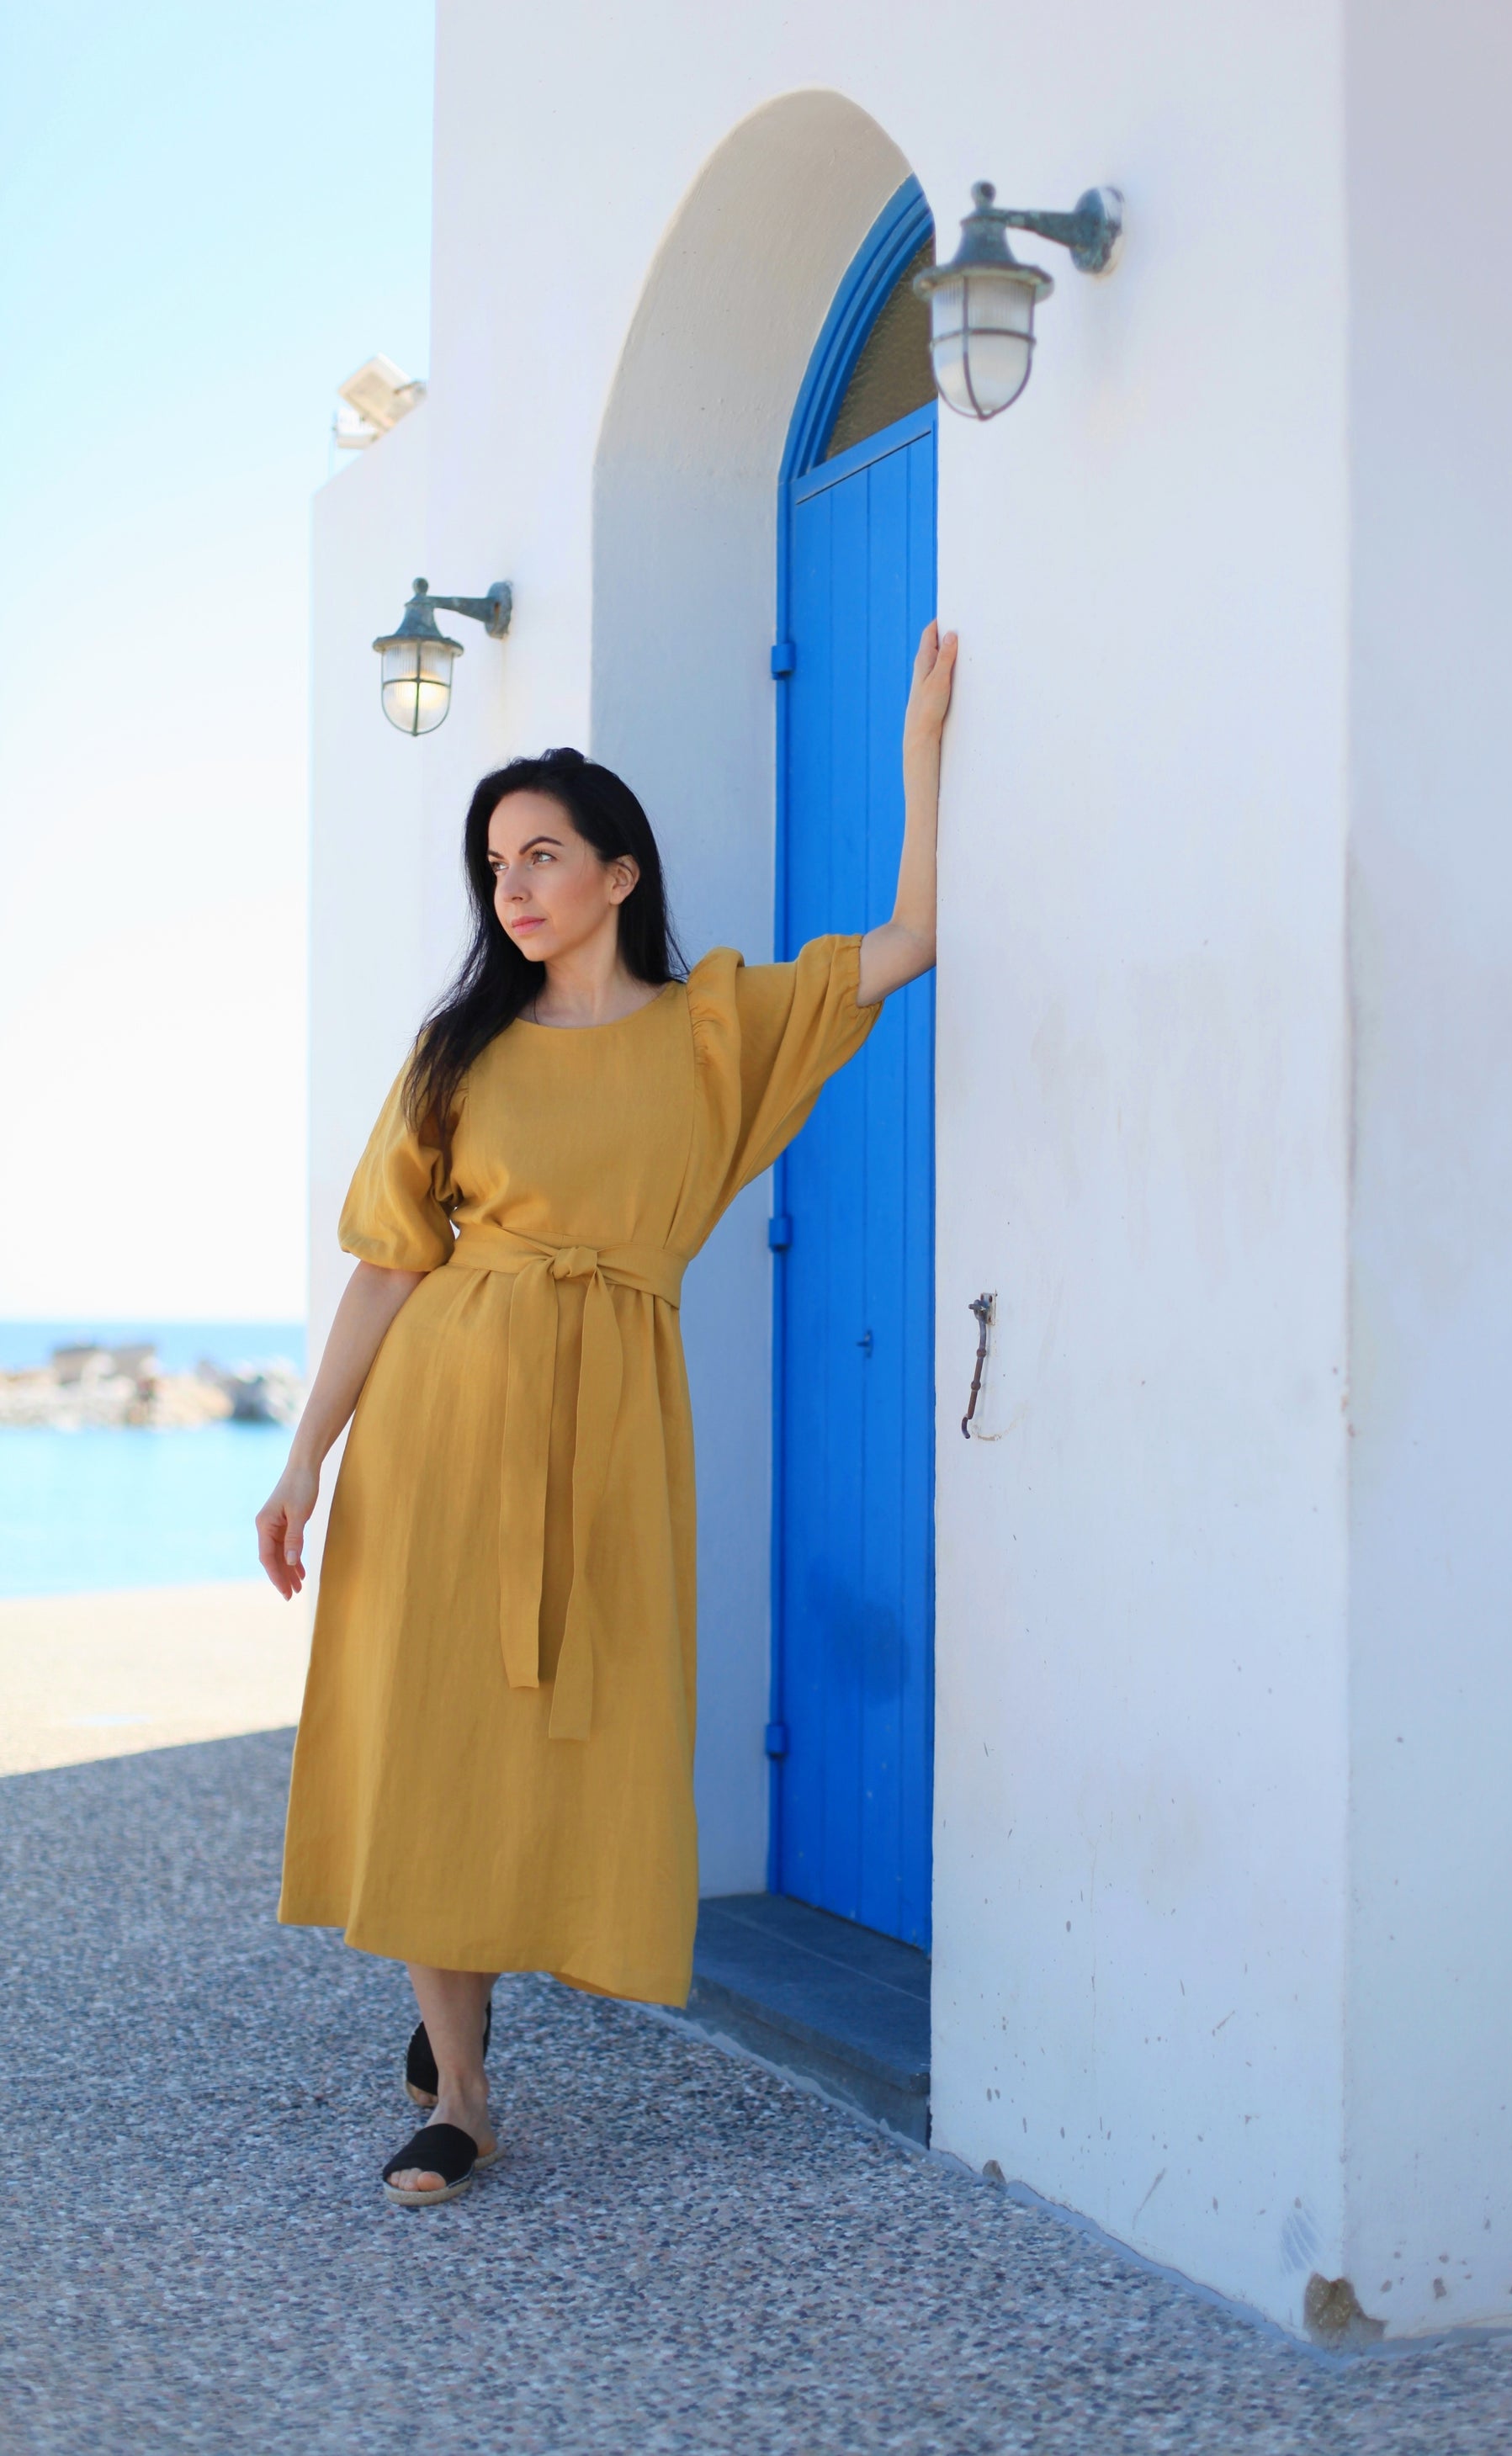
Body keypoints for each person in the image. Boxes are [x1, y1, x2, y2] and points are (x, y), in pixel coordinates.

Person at [257, 620, 958, 2207]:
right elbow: (384, 1271)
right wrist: (305, 1460)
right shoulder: (458, 1052)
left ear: (621, 871)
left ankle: (469, 2016)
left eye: (545, 853)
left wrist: (919, 750)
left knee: (577, 1721)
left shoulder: (717, 1027)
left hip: (614, 1412)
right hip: (444, 1414)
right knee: (436, 1725)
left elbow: (908, 939)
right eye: (495, 860)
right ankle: (466, 2092)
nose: (512, 885)